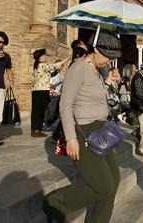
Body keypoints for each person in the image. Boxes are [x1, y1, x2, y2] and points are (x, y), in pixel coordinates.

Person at [43, 31, 122, 222]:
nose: (110, 62)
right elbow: (65, 104)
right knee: (104, 186)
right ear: (95, 49)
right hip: (84, 132)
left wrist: (109, 82)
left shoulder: (96, 70)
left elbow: (97, 98)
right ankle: (55, 202)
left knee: (114, 180)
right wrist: (70, 138)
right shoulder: (78, 68)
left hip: (102, 130)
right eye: (108, 56)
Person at [31, 49, 69, 137]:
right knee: (39, 112)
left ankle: (36, 130)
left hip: (36, 91)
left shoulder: (37, 66)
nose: (46, 57)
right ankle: (37, 131)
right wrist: (66, 59)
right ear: (40, 58)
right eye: (44, 55)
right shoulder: (43, 65)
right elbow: (56, 65)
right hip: (41, 91)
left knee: (36, 111)